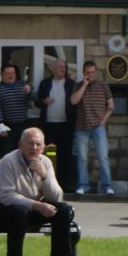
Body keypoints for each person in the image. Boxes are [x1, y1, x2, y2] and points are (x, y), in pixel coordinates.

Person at [0, 126, 81, 256]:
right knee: (18, 212)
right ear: (20, 145)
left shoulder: (46, 162)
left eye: (38, 144)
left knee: (63, 210)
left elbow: (56, 197)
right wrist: (37, 205)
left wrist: (44, 176)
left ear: (43, 147)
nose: (34, 148)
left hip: (28, 209)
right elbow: (7, 196)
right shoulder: (8, 161)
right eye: (30, 144)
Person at [32, 58, 79, 190]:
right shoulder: (45, 83)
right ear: (52, 69)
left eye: (64, 67)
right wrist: (44, 101)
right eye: (60, 67)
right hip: (49, 126)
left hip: (66, 126)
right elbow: (37, 102)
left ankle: (64, 185)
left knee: (65, 155)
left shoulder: (71, 84)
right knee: (50, 155)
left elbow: (76, 104)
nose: (62, 69)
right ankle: (49, 182)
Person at [70, 59, 115, 196]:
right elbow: (73, 101)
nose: (90, 74)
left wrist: (103, 122)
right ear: (84, 72)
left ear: (96, 72)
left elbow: (111, 106)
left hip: (98, 127)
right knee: (82, 158)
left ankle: (107, 186)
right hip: (81, 127)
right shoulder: (78, 86)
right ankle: (83, 185)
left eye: (92, 72)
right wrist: (84, 85)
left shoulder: (103, 85)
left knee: (103, 157)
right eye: (88, 72)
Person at [0, 63, 31, 156]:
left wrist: (29, 92)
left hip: (22, 126)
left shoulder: (22, 85)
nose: (11, 75)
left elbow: (35, 99)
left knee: (23, 154)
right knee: (7, 155)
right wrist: (0, 124)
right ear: (2, 75)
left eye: (13, 73)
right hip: (6, 127)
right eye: (8, 73)